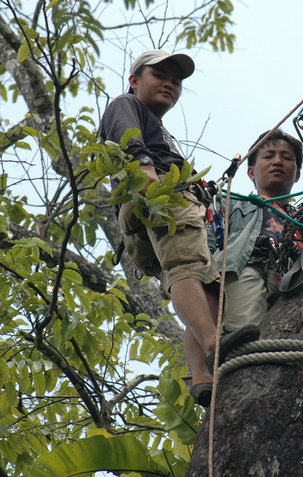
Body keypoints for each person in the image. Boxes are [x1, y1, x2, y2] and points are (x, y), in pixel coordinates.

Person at [99, 50, 260, 405]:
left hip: (155, 203)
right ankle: (215, 344)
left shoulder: (158, 127)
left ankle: (202, 375)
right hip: (159, 194)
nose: (170, 83)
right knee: (188, 269)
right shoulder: (126, 105)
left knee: (206, 283)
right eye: (160, 74)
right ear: (135, 80)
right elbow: (128, 142)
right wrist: (150, 180)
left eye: (177, 80)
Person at [186, 128, 303, 407]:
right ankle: (223, 391)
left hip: (291, 285)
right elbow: (208, 239)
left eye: (287, 158)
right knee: (246, 342)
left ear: (298, 174)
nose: (277, 161)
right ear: (251, 172)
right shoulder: (230, 203)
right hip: (247, 268)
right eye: (268, 156)